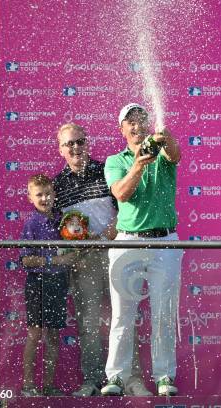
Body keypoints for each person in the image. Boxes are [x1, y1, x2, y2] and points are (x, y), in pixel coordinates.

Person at [53, 123, 151, 396]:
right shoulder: (58, 184)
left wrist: (107, 236)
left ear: (87, 143)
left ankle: (131, 380)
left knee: (124, 319)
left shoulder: (105, 169)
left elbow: (125, 207)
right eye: (69, 144)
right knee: (88, 324)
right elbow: (59, 228)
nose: (75, 148)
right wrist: (75, 252)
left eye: (79, 142)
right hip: (84, 262)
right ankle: (93, 381)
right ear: (60, 149)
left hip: (116, 252)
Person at [100, 103, 183, 396]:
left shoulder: (163, 155)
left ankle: (164, 376)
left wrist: (165, 137)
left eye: (140, 121)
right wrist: (138, 163)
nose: (136, 127)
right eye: (130, 123)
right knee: (123, 314)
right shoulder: (114, 160)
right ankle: (116, 377)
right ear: (121, 129)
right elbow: (122, 192)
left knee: (163, 313)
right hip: (127, 242)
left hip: (165, 242)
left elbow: (175, 152)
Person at [19, 174, 79, 396]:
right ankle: (28, 385)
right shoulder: (32, 223)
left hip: (58, 282)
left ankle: (49, 385)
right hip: (37, 282)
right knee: (35, 334)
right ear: (30, 198)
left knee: (53, 335)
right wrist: (54, 260)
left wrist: (74, 255)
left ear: (54, 194)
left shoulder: (64, 219)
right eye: (39, 195)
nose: (44, 198)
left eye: (47, 193)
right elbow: (25, 260)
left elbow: (72, 251)